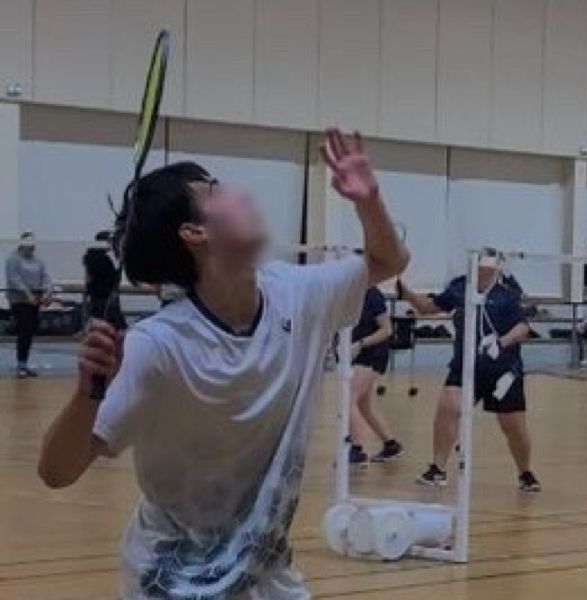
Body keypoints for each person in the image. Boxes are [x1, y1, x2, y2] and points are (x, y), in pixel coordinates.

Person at [38, 128, 410, 600]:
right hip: (171, 582)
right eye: (214, 190)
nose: (240, 194)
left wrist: (368, 201)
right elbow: (58, 471)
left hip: (264, 574)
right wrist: (86, 395)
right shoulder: (160, 347)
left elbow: (389, 261)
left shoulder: (298, 294)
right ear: (195, 233)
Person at [399, 247, 541, 492]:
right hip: (465, 366)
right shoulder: (459, 287)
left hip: (503, 370)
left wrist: (501, 343)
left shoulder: (507, 294)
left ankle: (525, 472)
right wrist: (407, 293)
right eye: (479, 267)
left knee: (513, 427)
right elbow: (429, 307)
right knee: (448, 407)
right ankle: (438, 469)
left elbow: (523, 328)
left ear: (495, 269)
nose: (482, 271)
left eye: (487, 268)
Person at [349, 285, 403, 465]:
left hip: (373, 354)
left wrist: (361, 344)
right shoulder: (349, 293)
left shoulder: (372, 294)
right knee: (365, 406)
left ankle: (357, 450)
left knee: (349, 398)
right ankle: (391, 444)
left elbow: (387, 330)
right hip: (358, 355)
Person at [5, 232, 52, 378]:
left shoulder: (38, 261)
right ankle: (21, 365)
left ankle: (24, 363)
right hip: (19, 301)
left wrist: (47, 292)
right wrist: (27, 294)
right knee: (23, 331)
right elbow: (15, 280)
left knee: (30, 331)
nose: (32, 248)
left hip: (35, 300)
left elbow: (45, 277)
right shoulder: (13, 259)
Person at [82, 231, 125, 327]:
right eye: (109, 241)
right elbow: (112, 278)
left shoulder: (90, 257)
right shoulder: (103, 259)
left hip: (95, 297)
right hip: (104, 297)